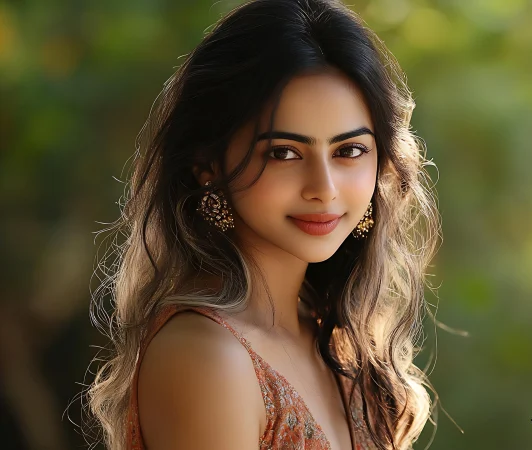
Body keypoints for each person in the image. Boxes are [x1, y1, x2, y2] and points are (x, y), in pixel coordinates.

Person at [85, 0, 442, 449]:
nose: (324, 188)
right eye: (284, 153)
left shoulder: (337, 344)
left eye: (348, 151)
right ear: (207, 164)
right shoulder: (207, 355)